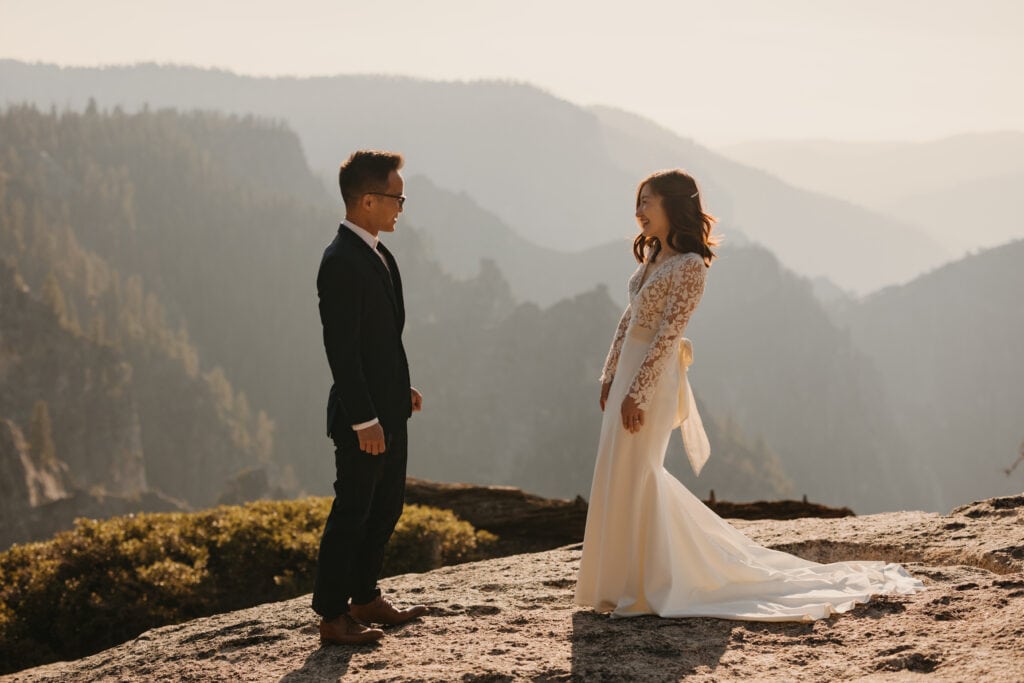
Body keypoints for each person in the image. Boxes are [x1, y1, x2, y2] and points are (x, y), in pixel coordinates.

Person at [574, 169, 924, 621]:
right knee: (617, 470)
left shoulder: (690, 266)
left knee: (640, 472)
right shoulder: (653, 259)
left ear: (673, 207)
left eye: (648, 202)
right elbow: (628, 320)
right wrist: (609, 375)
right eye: (638, 202)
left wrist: (637, 392)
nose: (638, 211)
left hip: (652, 381)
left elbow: (667, 334)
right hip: (626, 374)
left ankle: (653, 583)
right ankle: (619, 584)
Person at [313, 150, 427, 645]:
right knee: (353, 512)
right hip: (365, 420)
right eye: (395, 197)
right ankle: (333, 614)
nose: (401, 206)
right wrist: (364, 419)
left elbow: (381, 340)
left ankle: (364, 595)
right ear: (366, 200)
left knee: (386, 507)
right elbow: (342, 349)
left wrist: (400, 390)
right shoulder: (340, 261)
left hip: (390, 409)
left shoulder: (379, 253)